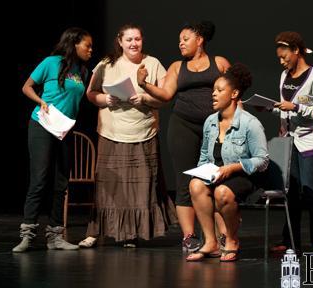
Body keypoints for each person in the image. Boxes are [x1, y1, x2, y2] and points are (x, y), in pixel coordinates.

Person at [78, 23, 177, 249]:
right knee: (108, 186)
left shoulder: (152, 64)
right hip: (112, 133)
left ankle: (131, 233)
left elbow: (164, 98)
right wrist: (105, 99)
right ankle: (96, 231)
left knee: (139, 189)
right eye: (129, 39)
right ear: (120, 42)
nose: (134, 43)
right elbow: (91, 93)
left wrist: (144, 99)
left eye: (138, 39)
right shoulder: (107, 64)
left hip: (143, 133)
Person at [137, 21, 231, 252]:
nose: (180, 43)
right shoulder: (178, 67)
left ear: (199, 40)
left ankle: (222, 236)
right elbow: (166, 94)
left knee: (216, 179)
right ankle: (189, 238)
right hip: (183, 126)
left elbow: (233, 91)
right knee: (185, 181)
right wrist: (144, 84)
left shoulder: (218, 62)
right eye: (179, 39)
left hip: (214, 128)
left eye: (185, 38)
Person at [13, 27, 93, 252]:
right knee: (39, 179)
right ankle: (28, 233)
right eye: (87, 45)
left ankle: (55, 236)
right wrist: (40, 101)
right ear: (75, 44)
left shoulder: (83, 71)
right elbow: (26, 87)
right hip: (43, 124)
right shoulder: (51, 62)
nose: (90, 49)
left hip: (64, 129)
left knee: (61, 182)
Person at [186, 63, 269, 262]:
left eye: (219, 90)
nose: (213, 94)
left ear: (234, 94)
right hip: (218, 173)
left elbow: (262, 160)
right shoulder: (210, 122)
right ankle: (210, 242)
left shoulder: (250, 123)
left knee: (222, 192)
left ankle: (231, 240)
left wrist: (232, 167)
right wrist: (202, 171)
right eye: (213, 90)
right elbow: (205, 155)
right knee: (195, 184)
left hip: (244, 176)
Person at [268, 31, 313, 254]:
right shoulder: (284, 76)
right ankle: (290, 240)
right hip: (288, 141)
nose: (282, 61)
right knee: (291, 191)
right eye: (279, 58)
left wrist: (296, 107)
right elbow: (285, 111)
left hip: (309, 140)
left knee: (309, 189)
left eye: (284, 56)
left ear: (296, 51)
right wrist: (271, 108)